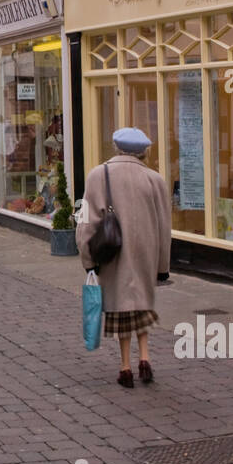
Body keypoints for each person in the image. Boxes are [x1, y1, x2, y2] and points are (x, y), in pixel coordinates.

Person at [77, 127, 172, 389]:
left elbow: (85, 221)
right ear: (143, 151)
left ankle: (125, 367)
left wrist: (88, 259)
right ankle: (145, 358)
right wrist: (162, 267)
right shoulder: (155, 179)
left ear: (117, 147)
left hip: (113, 253)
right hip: (145, 255)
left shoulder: (98, 175)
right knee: (141, 303)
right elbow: (165, 228)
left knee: (121, 308)